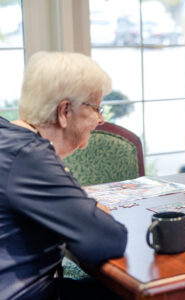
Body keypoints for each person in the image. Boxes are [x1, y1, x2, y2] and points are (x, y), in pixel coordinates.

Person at [0, 51, 128, 300]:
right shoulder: (29, 156)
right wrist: (90, 210)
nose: (101, 119)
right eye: (96, 108)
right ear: (65, 111)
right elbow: (108, 239)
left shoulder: (7, 137)